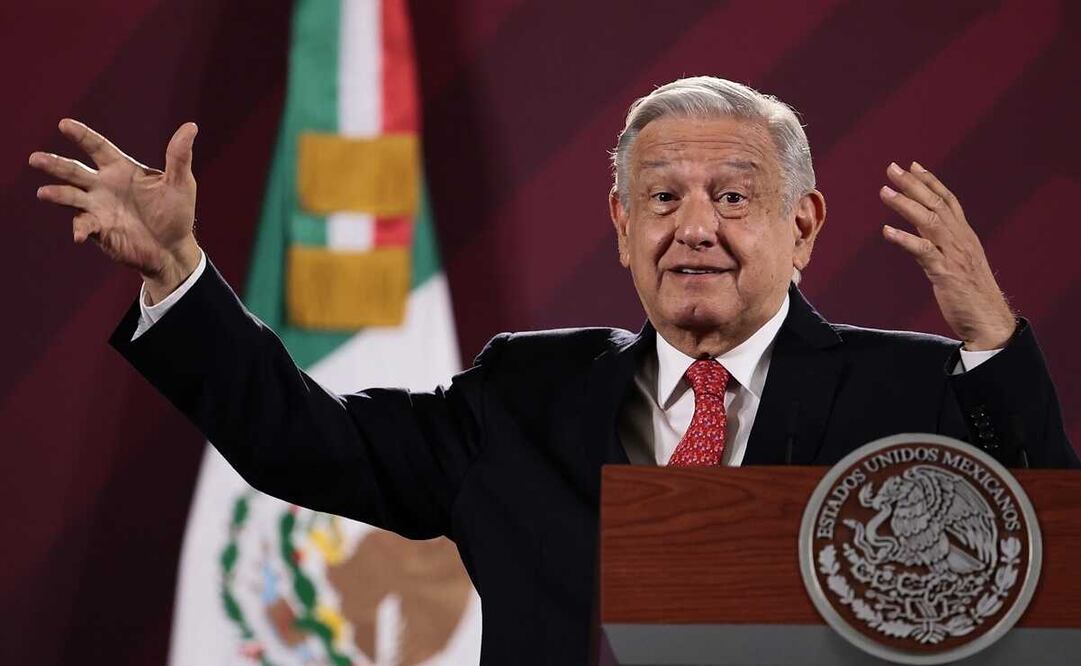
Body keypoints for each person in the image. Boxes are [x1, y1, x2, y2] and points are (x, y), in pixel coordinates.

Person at [30, 77, 1078, 664]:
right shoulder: (525, 396)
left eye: (733, 195)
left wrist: (994, 342)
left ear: (802, 227)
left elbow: (1045, 583)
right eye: (661, 199)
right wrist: (180, 275)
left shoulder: (920, 391)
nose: (695, 228)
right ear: (621, 228)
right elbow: (312, 443)